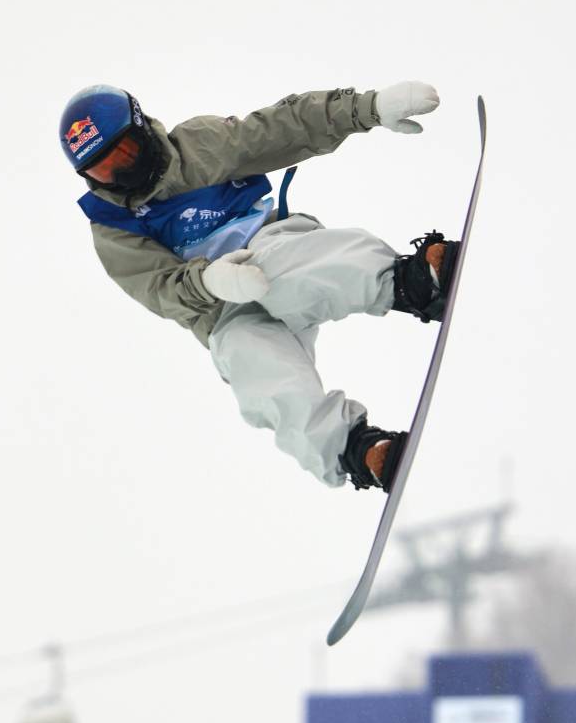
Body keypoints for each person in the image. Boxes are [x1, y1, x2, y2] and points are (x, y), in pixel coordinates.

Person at [58, 81, 456, 492]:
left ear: (141, 130)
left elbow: (283, 128)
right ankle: (353, 450)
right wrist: (210, 280)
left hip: (269, 244)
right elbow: (159, 289)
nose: (122, 175)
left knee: (282, 270)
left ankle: (409, 281)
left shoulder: (199, 146)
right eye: (103, 171)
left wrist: (366, 109)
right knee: (248, 360)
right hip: (222, 310)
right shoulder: (112, 228)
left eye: (125, 155)